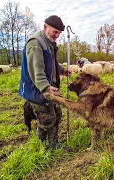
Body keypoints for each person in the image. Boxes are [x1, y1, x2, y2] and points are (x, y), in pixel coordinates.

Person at [19, 15, 69, 149]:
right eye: (55, 31)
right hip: (37, 89)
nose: (57, 35)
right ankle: (41, 144)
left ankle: (53, 142)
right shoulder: (36, 43)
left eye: (59, 33)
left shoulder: (48, 42)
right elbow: (37, 69)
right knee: (47, 118)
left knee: (56, 114)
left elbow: (51, 62)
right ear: (45, 27)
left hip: (47, 87)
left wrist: (62, 70)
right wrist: (46, 87)